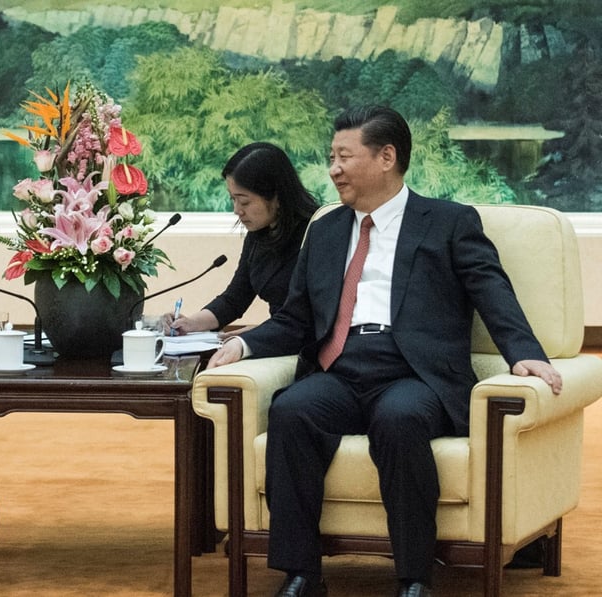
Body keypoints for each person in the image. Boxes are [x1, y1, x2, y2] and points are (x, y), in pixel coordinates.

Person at [207, 105, 562, 597]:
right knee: (291, 411)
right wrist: (243, 343)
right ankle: (301, 574)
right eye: (331, 156)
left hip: (413, 373)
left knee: (399, 420)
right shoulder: (327, 230)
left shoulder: (448, 222)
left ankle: (415, 578)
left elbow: (491, 291)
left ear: (386, 157)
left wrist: (523, 352)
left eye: (344, 156)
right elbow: (296, 318)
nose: (333, 168)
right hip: (341, 365)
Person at [163, 142, 319, 338]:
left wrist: (255, 335)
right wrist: (190, 323)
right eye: (233, 199)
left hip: (304, 346)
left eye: (244, 201)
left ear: (277, 196)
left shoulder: (316, 233)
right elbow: (234, 299)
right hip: (274, 338)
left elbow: (313, 318)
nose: (237, 210)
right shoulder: (258, 234)